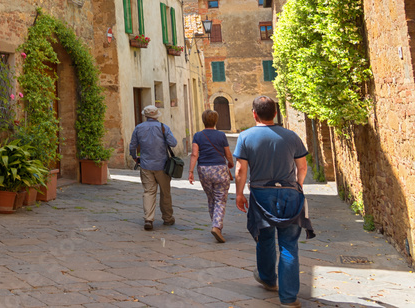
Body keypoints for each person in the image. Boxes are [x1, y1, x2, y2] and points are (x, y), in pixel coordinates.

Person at [234, 96, 314, 308]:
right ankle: (288, 298)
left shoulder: (245, 137)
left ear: (254, 113)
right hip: (289, 193)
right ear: (276, 113)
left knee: (265, 238)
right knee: (289, 245)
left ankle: (268, 279)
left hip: (261, 194)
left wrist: (239, 193)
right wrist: (298, 185)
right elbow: (303, 167)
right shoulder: (291, 136)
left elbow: (241, 170)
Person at [188, 109, 234, 243]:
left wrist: (191, 172)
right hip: (219, 168)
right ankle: (216, 226)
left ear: (203, 121)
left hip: (204, 170)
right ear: (216, 121)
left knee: (211, 199)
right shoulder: (221, 135)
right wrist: (230, 163)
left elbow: (195, 154)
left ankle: (216, 225)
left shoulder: (198, 135)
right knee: (220, 198)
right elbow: (228, 153)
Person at [129, 105, 177, 230]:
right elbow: (173, 143)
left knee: (149, 192)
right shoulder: (163, 127)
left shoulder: (139, 128)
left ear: (145, 115)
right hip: (163, 166)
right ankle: (167, 218)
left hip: (145, 165)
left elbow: (132, 145)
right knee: (165, 193)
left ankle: (149, 219)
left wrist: (135, 157)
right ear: (156, 115)